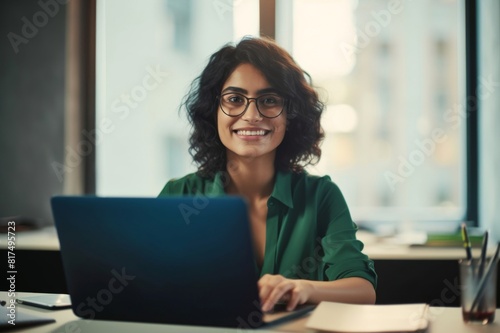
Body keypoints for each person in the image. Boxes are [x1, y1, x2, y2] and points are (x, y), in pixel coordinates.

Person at [159, 36, 377, 311]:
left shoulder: (321, 196)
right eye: (235, 99)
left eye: (270, 100)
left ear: (291, 115)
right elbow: (153, 287)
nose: (252, 115)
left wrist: (303, 287)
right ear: (213, 111)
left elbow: (363, 289)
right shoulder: (178, 196)